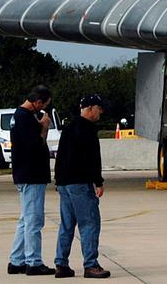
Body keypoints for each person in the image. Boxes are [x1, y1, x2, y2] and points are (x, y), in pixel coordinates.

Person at [54, 94, 110, 279]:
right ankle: (91, 265)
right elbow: (93, 158)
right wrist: (98, 181)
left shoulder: (69, 128)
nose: (101, 112)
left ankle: (61, 264)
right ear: (90, 108)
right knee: (90, 223)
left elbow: (60, 155)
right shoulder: (88, 130)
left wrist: (59, 181)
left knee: (67, 224)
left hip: (65, 183)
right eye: (99, 108)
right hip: (80, 183)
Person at [10, 84, 56, 276]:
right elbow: (36, 144)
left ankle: (17, 260)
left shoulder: (18, 117)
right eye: (45, 105)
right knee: (34, 220)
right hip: (31, 174)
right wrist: (44, 127)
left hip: (23, 173)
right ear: (37, 102)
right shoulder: (25, 118)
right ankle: (33, 261)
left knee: (25, 219)